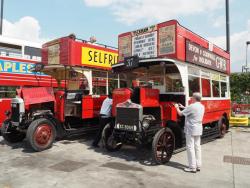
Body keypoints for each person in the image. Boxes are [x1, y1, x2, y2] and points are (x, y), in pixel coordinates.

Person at [174, 92, 205, 173]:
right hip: (198, 128)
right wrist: (183, 107)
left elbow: (180, 114)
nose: (191, 98)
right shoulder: (202, 106)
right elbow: (192, 110)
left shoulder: (192, 106)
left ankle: (192, 167)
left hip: (191, 129)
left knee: (190, 147)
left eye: (192, 97)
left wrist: (177, 107)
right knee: (197, 146)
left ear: (194, 98)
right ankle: (198, 165)